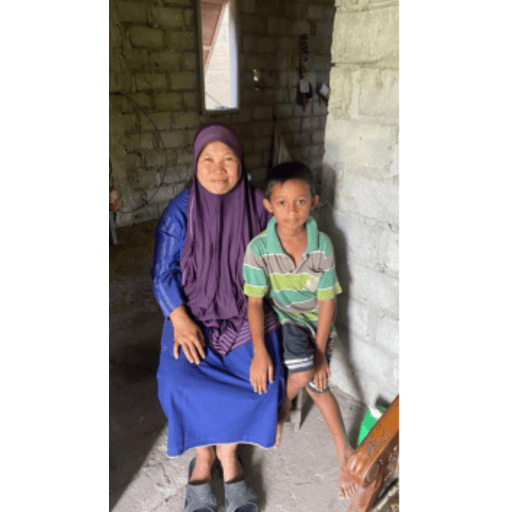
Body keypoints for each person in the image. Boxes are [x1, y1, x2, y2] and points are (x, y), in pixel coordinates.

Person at [152, 123, 285, 512]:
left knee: (261, 381)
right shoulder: (180, 210)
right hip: (191, 315)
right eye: (207, 159)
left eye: (227, 158)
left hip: (246, 313)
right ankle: (203, 456)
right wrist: (179, 318)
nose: (217, 169)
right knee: (177, 383)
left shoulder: (259, 205)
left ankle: (228, 457)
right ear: (195, 164)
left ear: (240, 162)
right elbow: (162, 275)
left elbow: (282, 255)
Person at [242, 162, 359, 500]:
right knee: (308, 375)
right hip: (287, 319)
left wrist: (320, 352)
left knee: (318, 381)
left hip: (318, 323)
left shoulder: (323, 245)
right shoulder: (259, 248)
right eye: (282, 203)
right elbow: (254, 303)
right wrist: (260, 351)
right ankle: (289, 413)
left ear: (314, 202)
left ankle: (340, 449)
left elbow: (326, 302)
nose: (291, 212)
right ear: (268, 205)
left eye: (301, 202)